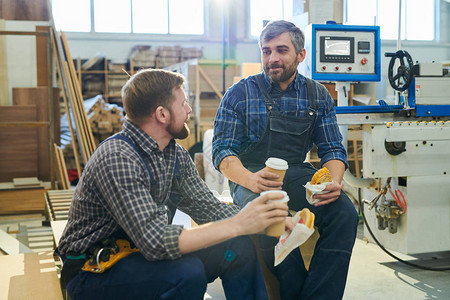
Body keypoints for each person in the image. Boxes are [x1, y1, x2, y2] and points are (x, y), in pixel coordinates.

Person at [57, 69, 290, 300]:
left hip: (137, 254)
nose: (189, 110)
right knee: (187, 274)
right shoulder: (118, 157)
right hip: (93, 270)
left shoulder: (172, 153)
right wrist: (240, 223)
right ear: (162, 114)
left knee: (237, 247)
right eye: (183, 103)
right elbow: (155, 242)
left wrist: (268, 219)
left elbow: (210, 209)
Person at [212, 20, 359, 299]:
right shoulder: (239, 94)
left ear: (300, 55)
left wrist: (333, 182)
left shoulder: (317, 95)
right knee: (273, 221)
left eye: (281, 50)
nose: (273, 58)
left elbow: (332, 150)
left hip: (295, 173)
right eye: (266, 51)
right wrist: (251, 180)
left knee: (344, 213)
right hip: (251, 175)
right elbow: (223, 152)